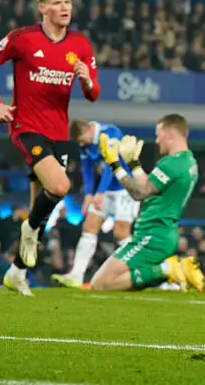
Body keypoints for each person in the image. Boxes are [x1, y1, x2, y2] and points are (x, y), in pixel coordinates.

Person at [0, 0, 101, 296]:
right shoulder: (23, 39)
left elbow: (94, 95)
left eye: (68, 3)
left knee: (41, 210)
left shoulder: (80, 46)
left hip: (59, 132)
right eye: (57, 3)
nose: (64, 8)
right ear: (42, 8)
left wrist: (86, 81)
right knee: (60, 187)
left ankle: (17, 272)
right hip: (27, 126)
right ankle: (27, 229)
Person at [88, 114, 205, 293]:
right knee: (121, 284)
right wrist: (133, 163)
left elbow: (139, 193)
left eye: (159, 135)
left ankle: (168, 269)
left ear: (170, 135)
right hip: (161, 233)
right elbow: (149, 185)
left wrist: (115, 165)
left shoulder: (172, 164)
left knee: (100, 284)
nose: (157, 141)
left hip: (153, 236)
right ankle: (167, 273)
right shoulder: (187, 162)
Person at [51, 120, 140, 289]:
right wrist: (89, 195)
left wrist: (99, 192)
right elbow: (87, 169)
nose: (82, 144)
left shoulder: (111, 132)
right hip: (104, 190)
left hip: (124, 188)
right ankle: (76, 275)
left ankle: (141, 270)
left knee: (121, 233)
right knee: (89, 226)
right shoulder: (84, 144)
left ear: (89, 130)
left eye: (83, 140)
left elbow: (111, 166)